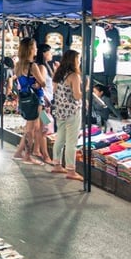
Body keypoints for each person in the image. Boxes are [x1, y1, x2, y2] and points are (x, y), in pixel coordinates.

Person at [12, 37, 49, 164]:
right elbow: (43, 83)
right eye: (35, 46)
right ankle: (27, 155)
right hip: (35, 99)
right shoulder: (33, 66)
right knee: (31, 128)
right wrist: (40, 83)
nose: (37, 49)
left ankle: (19, 153)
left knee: (31, 126)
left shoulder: (18, 65)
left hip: (24, 98)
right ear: (31, 49)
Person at [49, 50, 83, 180]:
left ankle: (56, 164)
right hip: (72, 111)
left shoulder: (58, 74)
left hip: (60, 110)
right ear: (73, 61)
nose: (79, 62)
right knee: (71, 141)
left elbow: (55, 91)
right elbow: (76, 95)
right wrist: (85, 90)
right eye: (78, 59)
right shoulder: (74, 76)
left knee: (60, 138)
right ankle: (71, 170)